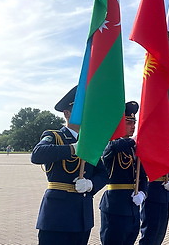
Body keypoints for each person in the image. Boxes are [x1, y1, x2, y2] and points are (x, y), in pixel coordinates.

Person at [31, 86, 108, 245]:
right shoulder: (54, 135)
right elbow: (37, 154)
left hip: (82, 215)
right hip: (57, 215)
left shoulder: (89, 143)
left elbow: (103, 174)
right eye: (80, 110)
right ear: (67, 113)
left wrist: (91, 184)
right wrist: (73, 148)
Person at [99, 101, 148, 245]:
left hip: (132, 208)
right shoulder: (110, 144)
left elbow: (143, 176)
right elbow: (113, 147)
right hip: (115, 208)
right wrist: (136, 140)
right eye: (128, 122)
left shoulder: (134, 148)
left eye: (134, 122)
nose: (133, 126)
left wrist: (143, 193)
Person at [139, 169, 169, 245]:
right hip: (152, 194)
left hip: (165, 194)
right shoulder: (148, 156)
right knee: (149, 233)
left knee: (160, 232)